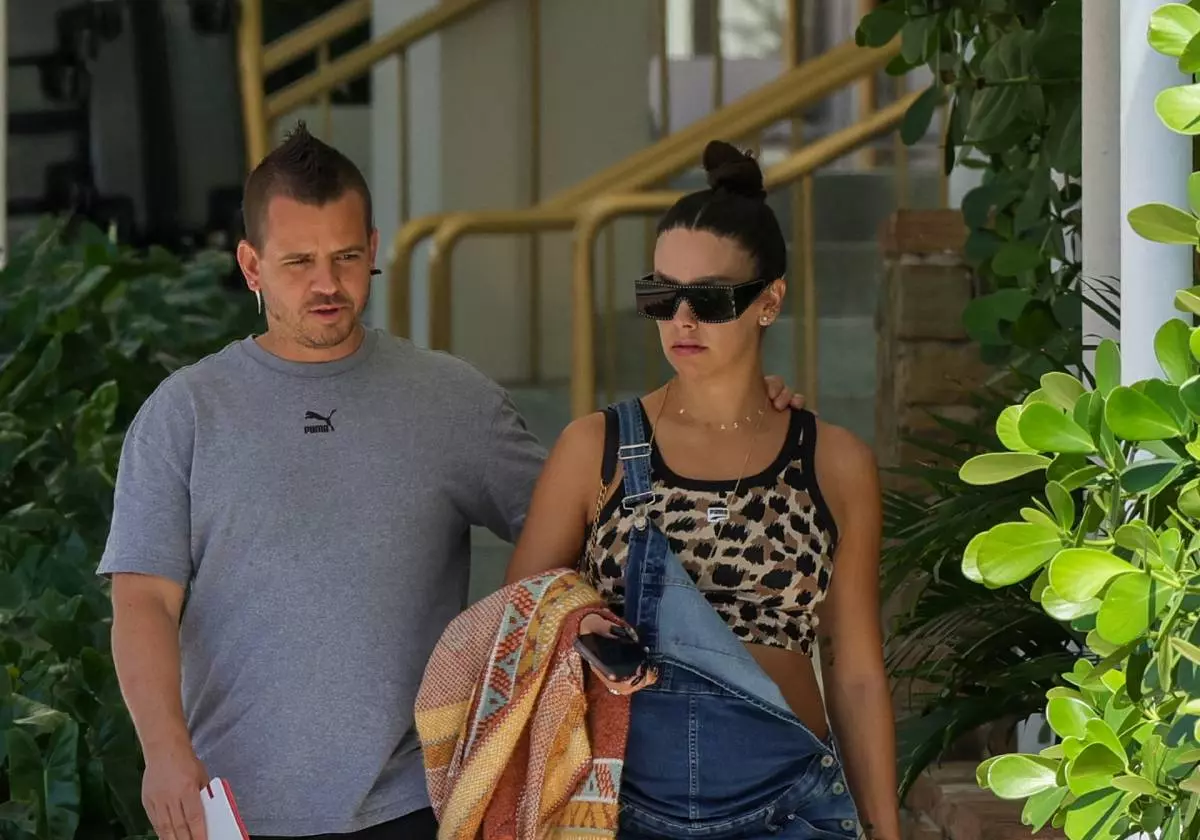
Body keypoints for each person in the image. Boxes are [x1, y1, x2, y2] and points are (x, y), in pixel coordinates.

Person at [99, 123, 808, 840]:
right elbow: (143, 602)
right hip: (231, 808)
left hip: (418, 804)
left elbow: (595, 528)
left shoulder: (450, 400)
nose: (327, 283)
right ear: (251, 265)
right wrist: (163, 751)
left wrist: (738, 414)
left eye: (347, 257)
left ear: (374, 247)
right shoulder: (185, 413)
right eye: (299, 262)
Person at [503, 141, 899, 840]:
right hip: (619, 810)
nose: (681, 320)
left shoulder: (835, 462)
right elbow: (520, 625)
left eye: (710, 299)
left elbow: (857, 673)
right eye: (661, 295)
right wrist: (580, 624)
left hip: (788, 809)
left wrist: (885, 831)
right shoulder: (594, 448)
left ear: (769, 301)